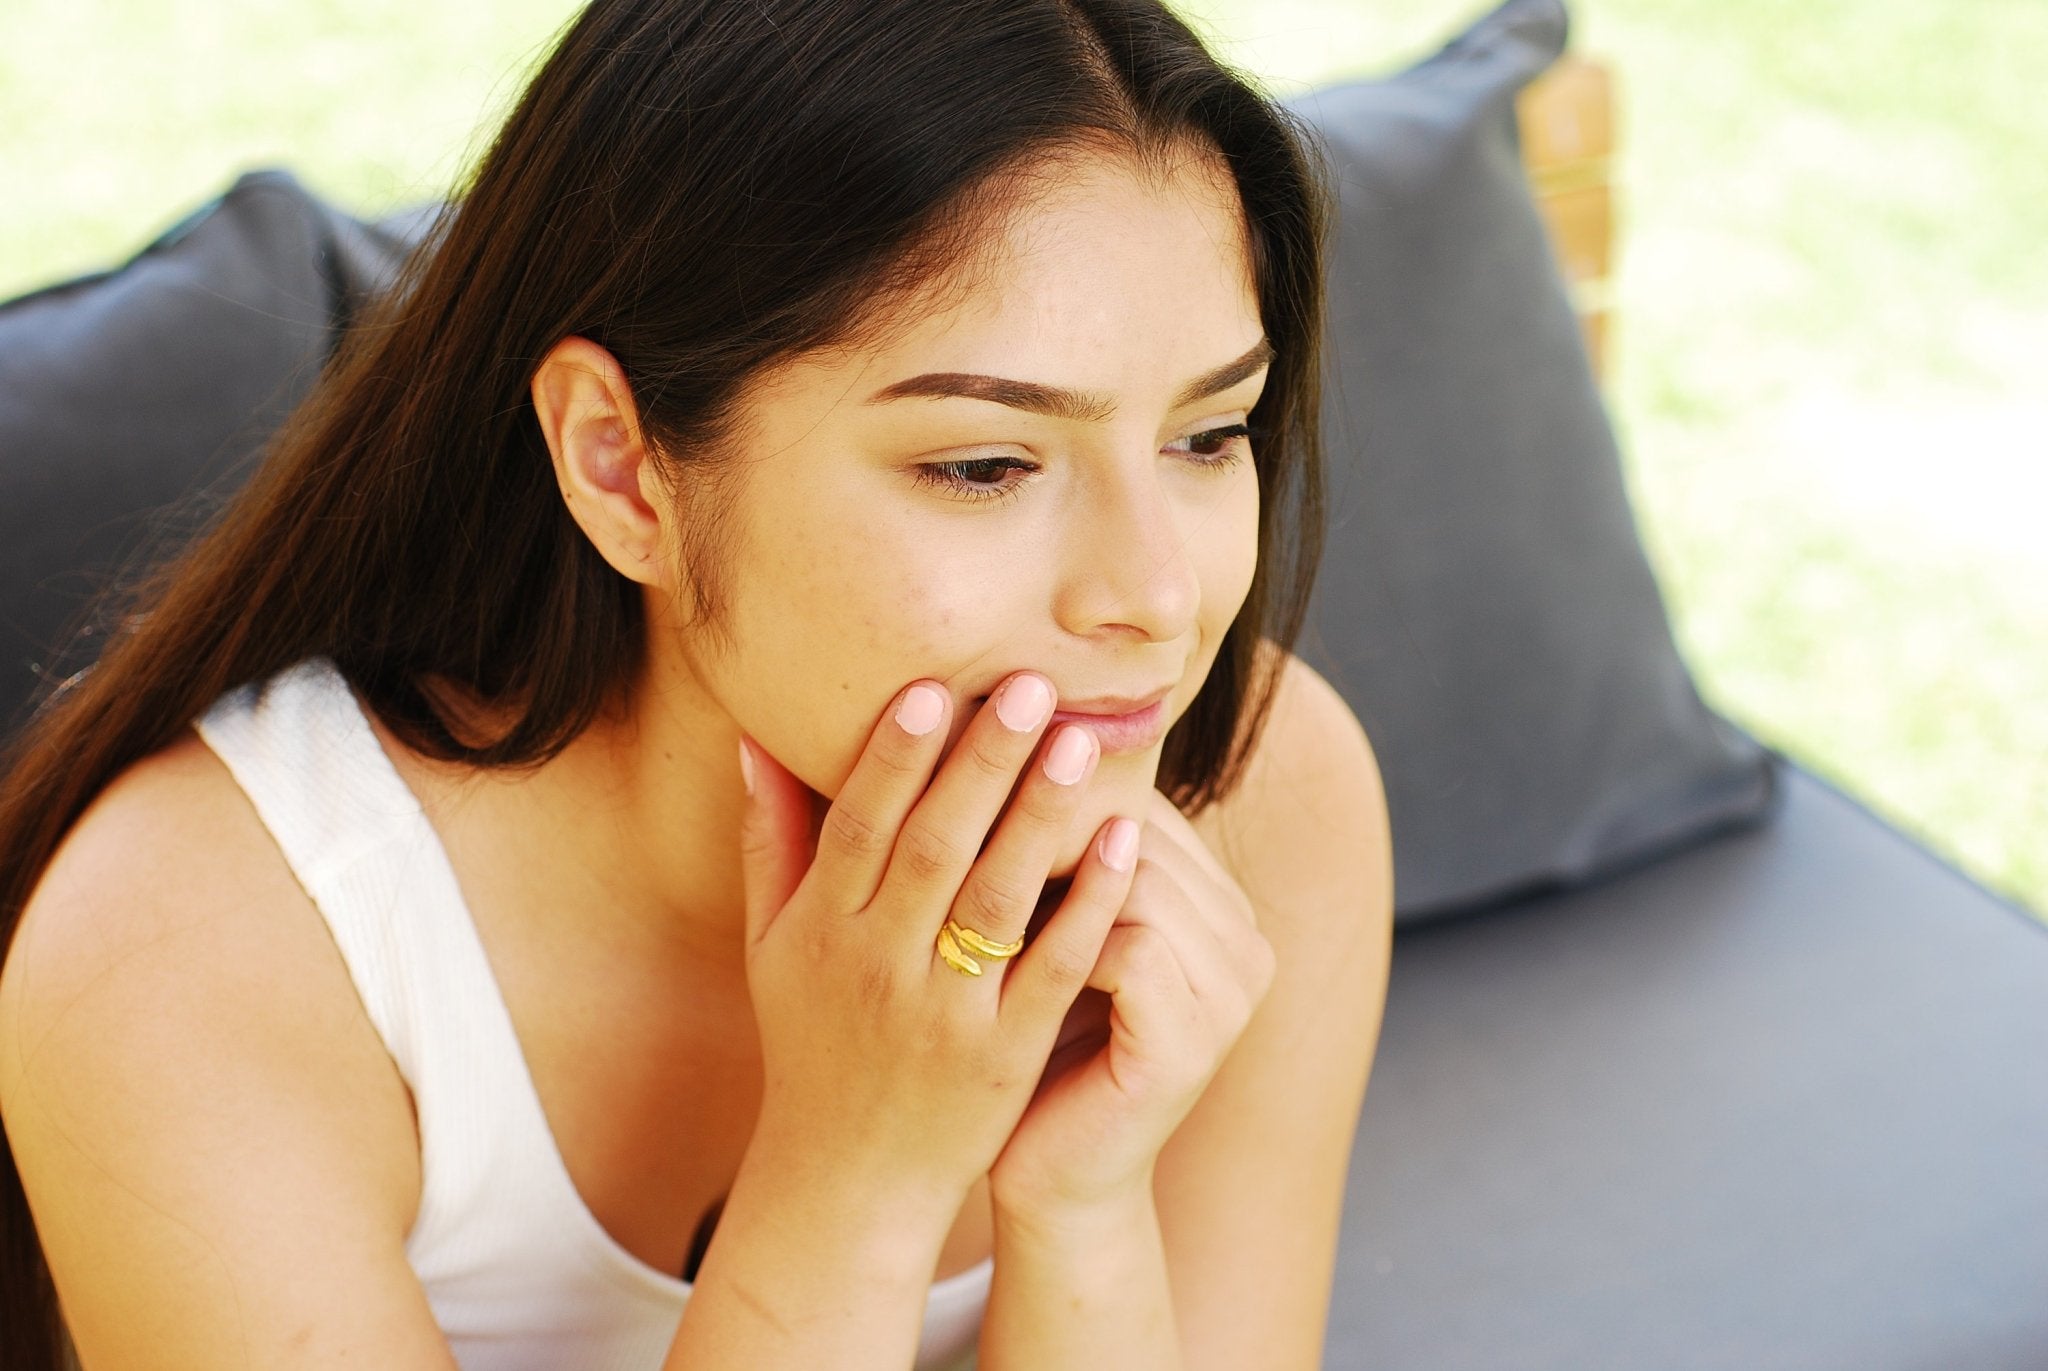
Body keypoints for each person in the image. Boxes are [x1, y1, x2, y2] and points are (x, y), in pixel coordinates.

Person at [0, 0, 1393, 1366]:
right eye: (984, 465)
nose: (1154, 602)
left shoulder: (1272, 795)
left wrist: (1080, 1211)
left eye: (1211, 436)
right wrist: (853, 1176)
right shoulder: (196, 951)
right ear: (623, 465)